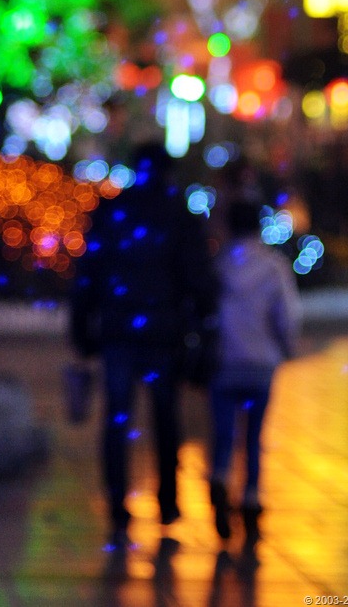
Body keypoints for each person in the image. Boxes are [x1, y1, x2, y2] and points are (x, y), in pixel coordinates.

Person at [70, 141, 215, 548]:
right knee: (165, 417)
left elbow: (90, 271)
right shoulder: (177, 215)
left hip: (118, 330)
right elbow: (196, 275)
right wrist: (201, 318)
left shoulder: (114, 211)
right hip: (161, 332)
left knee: (118, 418)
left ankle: (118, 502)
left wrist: (82, 326)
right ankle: (167, 501)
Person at [208, 197, 300, 548]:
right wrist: (287, 349)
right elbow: (287, 316)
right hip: (261, 364)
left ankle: (219, 474)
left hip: (225, 363)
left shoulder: (218, 267)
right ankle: (250, 497)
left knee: (224, 431)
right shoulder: (274, 267)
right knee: (255, 436)